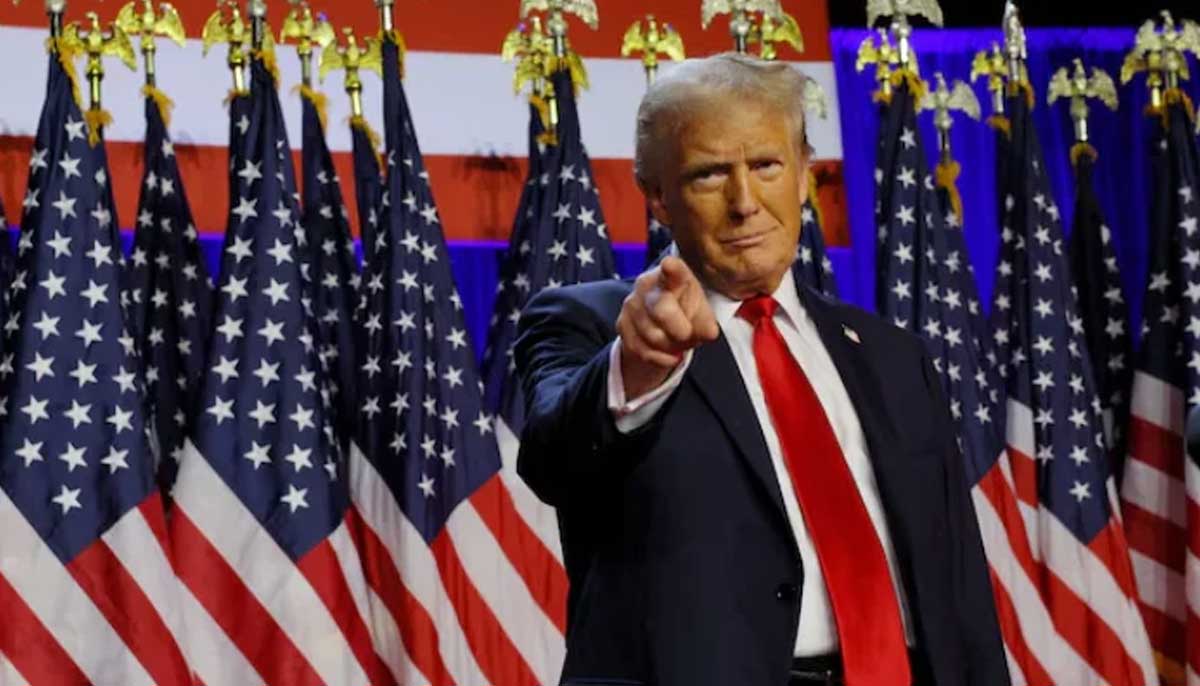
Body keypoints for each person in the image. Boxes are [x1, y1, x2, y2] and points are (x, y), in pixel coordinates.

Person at [514, 52, 1008, 686]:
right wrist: (637, 367)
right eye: (709, 175)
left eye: (767, 165)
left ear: (805, 173)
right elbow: (554, 460)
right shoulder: (595, 325)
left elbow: (957, 585)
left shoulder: (893, 357)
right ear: (658, 197)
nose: (745, 201)